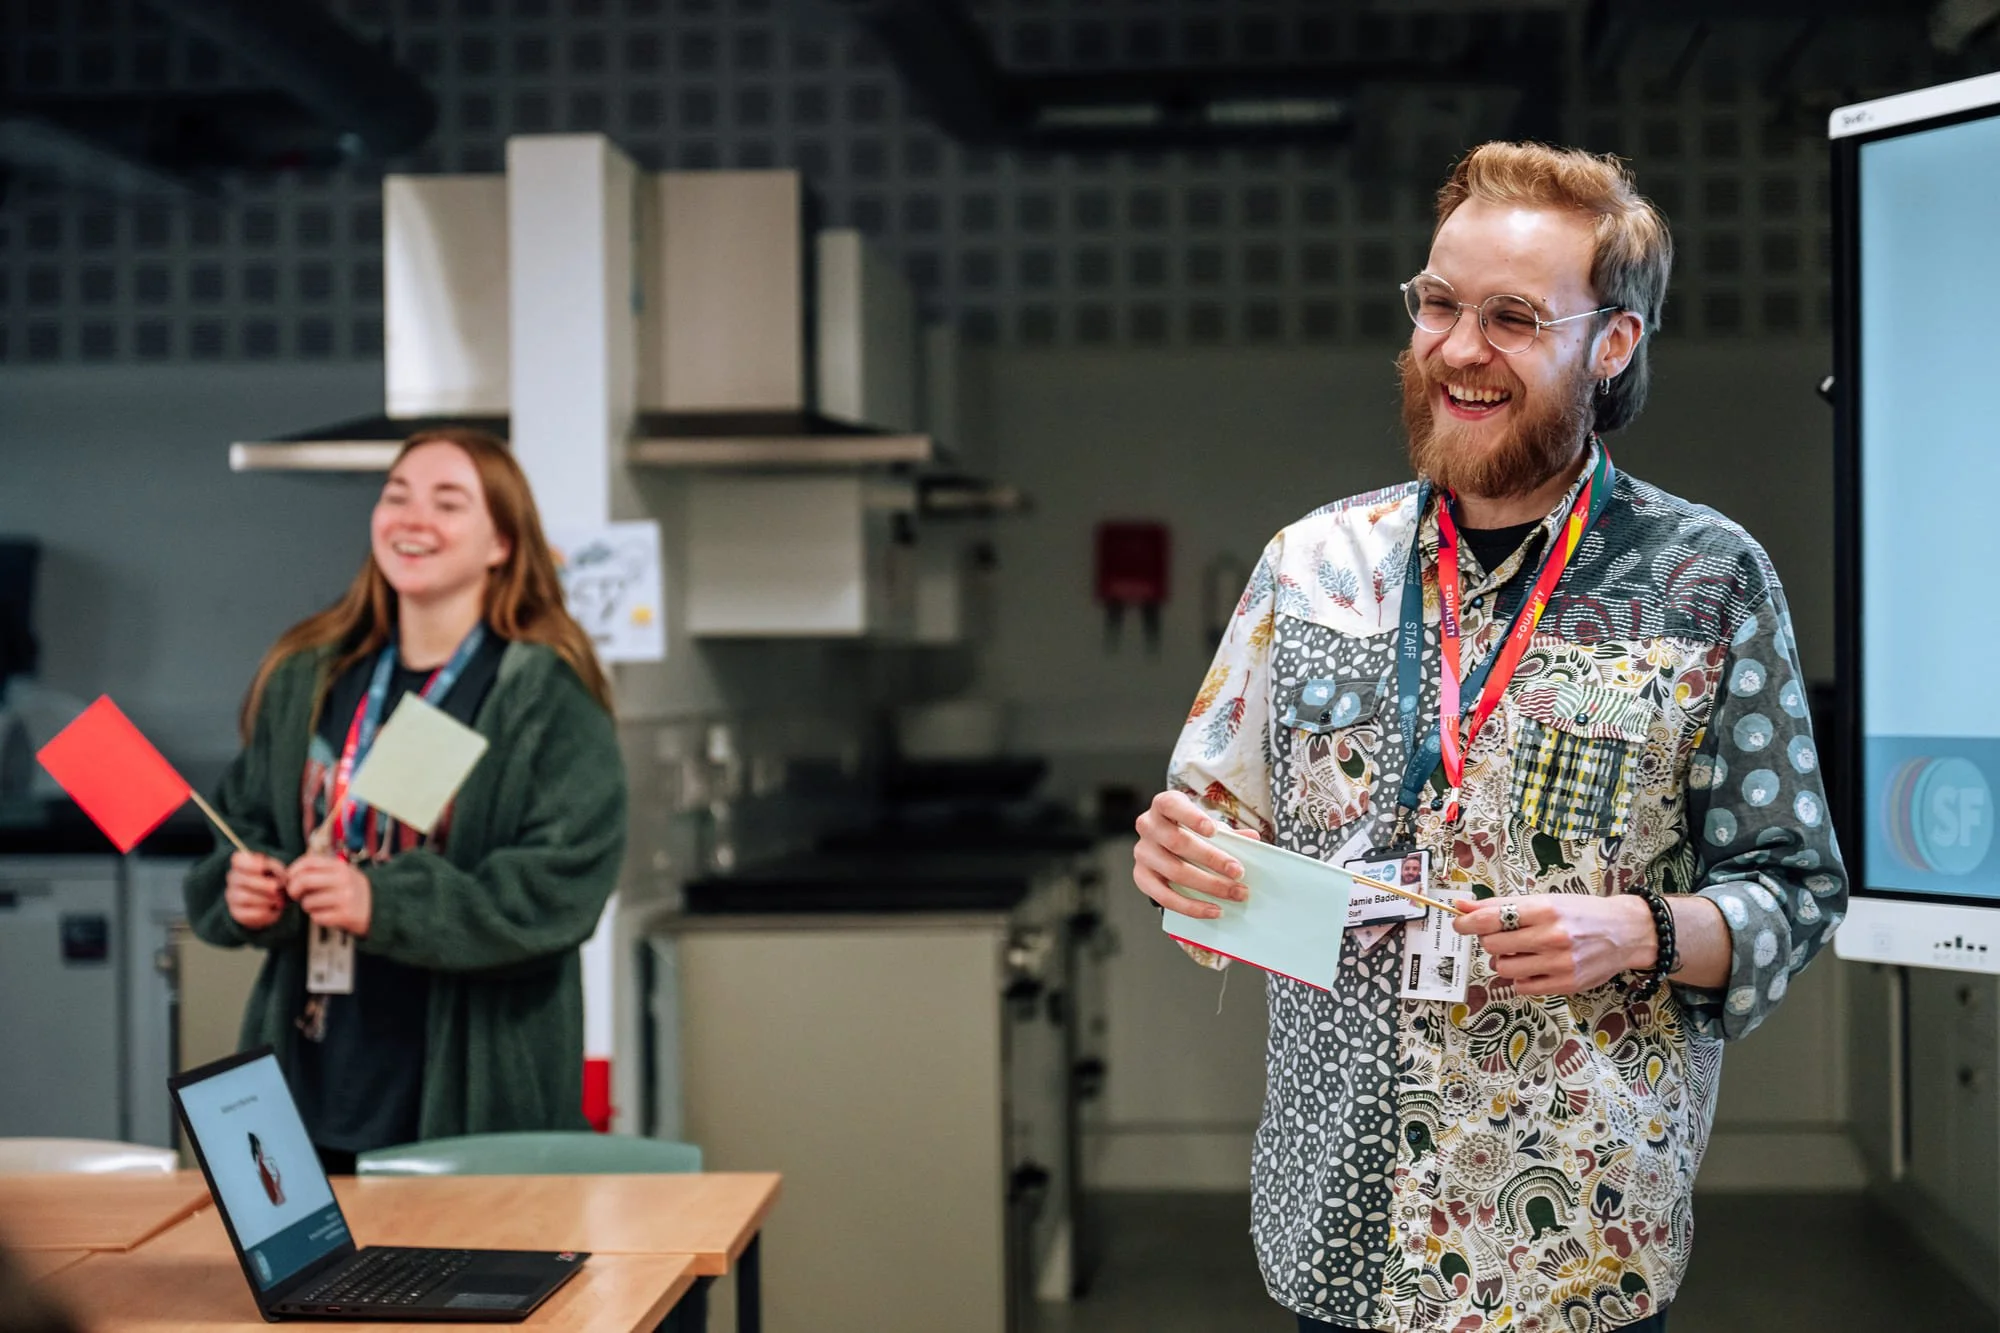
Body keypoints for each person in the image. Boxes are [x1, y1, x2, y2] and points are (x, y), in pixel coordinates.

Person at [1132, 143, 1846, 1333]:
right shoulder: (1310, 566)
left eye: (1511, 316)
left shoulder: (1705, 582)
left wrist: (1633, 929)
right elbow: (1212, 823)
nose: (1458, 347)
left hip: (1575, 1236)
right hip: (1340, 1224)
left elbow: (1794, 891)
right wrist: (1179, 862)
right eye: (1438, 304)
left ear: (1608, 342)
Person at [185, 427, 627, 1175]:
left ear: (502, 543)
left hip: (467, 1094)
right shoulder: (306, 674)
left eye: (448, 503)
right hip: (309, 1084)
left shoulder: (543, 697)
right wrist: (243, 887)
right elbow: (244, 823)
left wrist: (382, 904)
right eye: (397, 496)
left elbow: (557, 893)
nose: (413, 519)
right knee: (293, 1294)